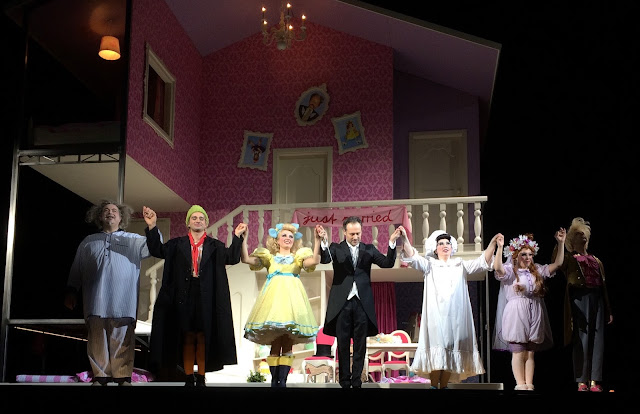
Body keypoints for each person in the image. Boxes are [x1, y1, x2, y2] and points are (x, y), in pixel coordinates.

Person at [144, 204, 247, 386]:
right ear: (188, 223)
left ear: (206, 223)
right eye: (194, 218)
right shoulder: (177, 244)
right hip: (183, 294)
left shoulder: (215, 246)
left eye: (201, 218)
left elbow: (232, 257)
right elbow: (157, 250)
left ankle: (201, 376)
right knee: (187, 335)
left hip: (207, 295)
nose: (198, 221)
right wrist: (152, 226)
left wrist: (237, 237)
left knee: (202, 336)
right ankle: (188, 375)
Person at [64, 200, 158, 386]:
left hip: (124, 300)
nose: (110, 213)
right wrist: (71, 290)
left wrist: (152, 226)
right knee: (97, 339)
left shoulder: (133, 240)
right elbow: (77, 268)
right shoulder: (88, 242)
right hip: (95, 300)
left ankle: (122, 377)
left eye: (114, 210)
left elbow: (155, 248)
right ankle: (100, 376)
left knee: (122, 339)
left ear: (121, 217)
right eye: (106, 210)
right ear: (99, 216)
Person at [399, 228, 500, 389]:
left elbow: (482, 262)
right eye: (441, 243)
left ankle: (443, 387)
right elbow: (412, 256)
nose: (445, 245)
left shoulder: (460, 265)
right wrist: (404, 238)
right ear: (435, 249)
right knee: (438, 352)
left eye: (447, 243)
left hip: (455, 318)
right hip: (436, 317)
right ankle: (434, 386)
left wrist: (493, 243)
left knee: (450, 352)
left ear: (452, 247)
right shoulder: (430, 265)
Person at [316, 217, 402, 389]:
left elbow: (387, 263)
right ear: (344, 232)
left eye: (358, 233)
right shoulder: (336, 248)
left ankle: (357, 381)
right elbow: (325, 259)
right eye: (352, 234)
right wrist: (323, 241)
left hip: (362, 303)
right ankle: (344, 381)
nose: (355, 237)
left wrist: (392, 242)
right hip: (342, 303)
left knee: (360, 344)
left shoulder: (369, 249)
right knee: (342, 343)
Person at [240, 222, 322, 387]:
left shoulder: (298, 257)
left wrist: (317, 240)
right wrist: (244, 240)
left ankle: (282, 382)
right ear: (276, 240)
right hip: (274, 304)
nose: (287, 238)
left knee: (287, 342)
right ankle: (275, 382)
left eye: (291, 236)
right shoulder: (269, 258)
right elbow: (246, 259)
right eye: (284, 235)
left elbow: (314, 261)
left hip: (292, 304)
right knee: (276, 343)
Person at [493, 230, 566, 391]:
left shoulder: (537, 270)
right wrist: (500, 248)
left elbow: (558, 264)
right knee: (518, 352)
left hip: (534, 311)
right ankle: (520, 385)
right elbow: (497, 267)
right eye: (524, 255)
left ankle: (529, 385)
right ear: (516, 256)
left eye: (530, 255)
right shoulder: (510, 271)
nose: (528, 258)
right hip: (516, 313)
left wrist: (561, 243)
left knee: (530, 352)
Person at [552, 218, 613, 392]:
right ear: (573, 239)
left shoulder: (596, 260)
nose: (582, 236)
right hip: (580, 298)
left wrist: (608, 309)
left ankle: (594, 380)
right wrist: (560, 243)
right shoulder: (570, 258)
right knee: (582, 339)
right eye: (578, 234)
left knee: (598, 339)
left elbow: (603, 287)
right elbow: (557, 262)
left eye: (584, 233)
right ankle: (581, 381)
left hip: (597, 299)